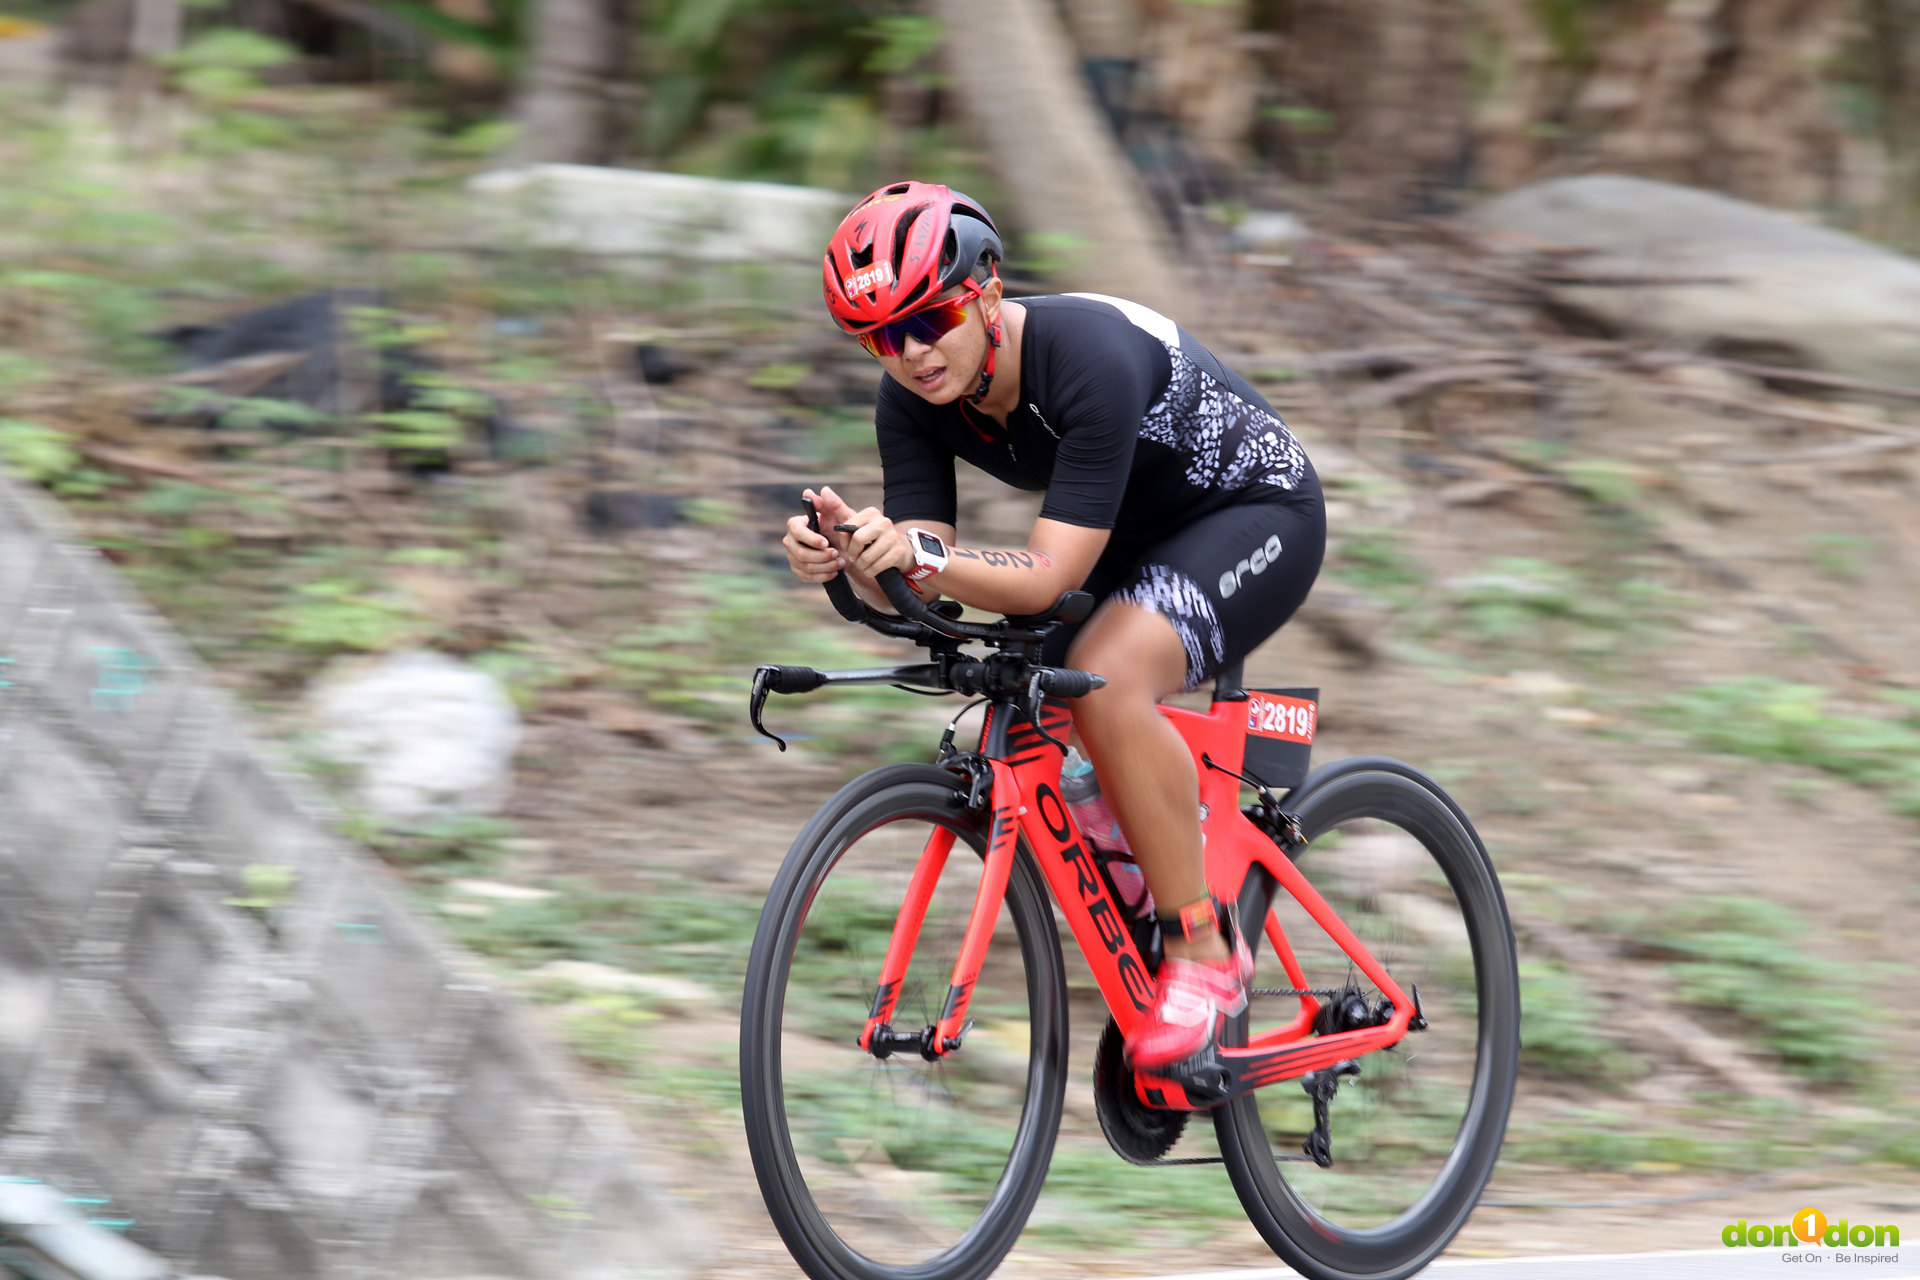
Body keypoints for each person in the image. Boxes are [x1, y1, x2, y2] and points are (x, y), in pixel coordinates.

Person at [782, 180, 1325, 1085]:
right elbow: (929, 565)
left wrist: (914, 553)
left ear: (988, 289)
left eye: (930, 319)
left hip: (1255, 512)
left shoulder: (1087, 357)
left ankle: (1203, 945)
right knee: (1036, 684)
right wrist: (853, 553)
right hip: (1129, 533)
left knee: (1108, 678)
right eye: (881, 337)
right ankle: (1154, 830)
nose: (911, 353)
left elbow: (1043, 576)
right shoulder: (910, 398)